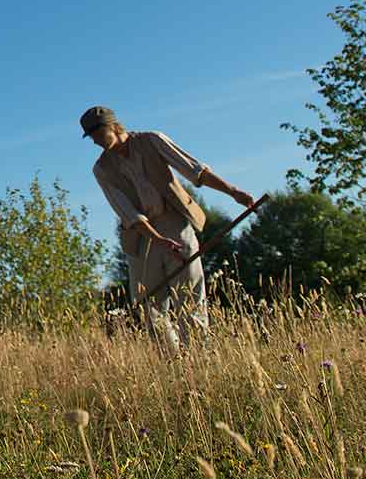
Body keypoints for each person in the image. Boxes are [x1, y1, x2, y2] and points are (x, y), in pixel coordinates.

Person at [81, 105, 255, 349]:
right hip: (141, 237)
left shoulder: (152, 141)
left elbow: (196, 171)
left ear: (113, 125)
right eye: (92, 137)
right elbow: (129, 214)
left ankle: (198, 359)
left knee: (190, 296)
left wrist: (233, 191)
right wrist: (158, 240)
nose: (97, 141)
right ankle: (174, 362)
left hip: (175, 222)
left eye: (99, 133)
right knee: (147, 305)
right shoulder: (101, 169)